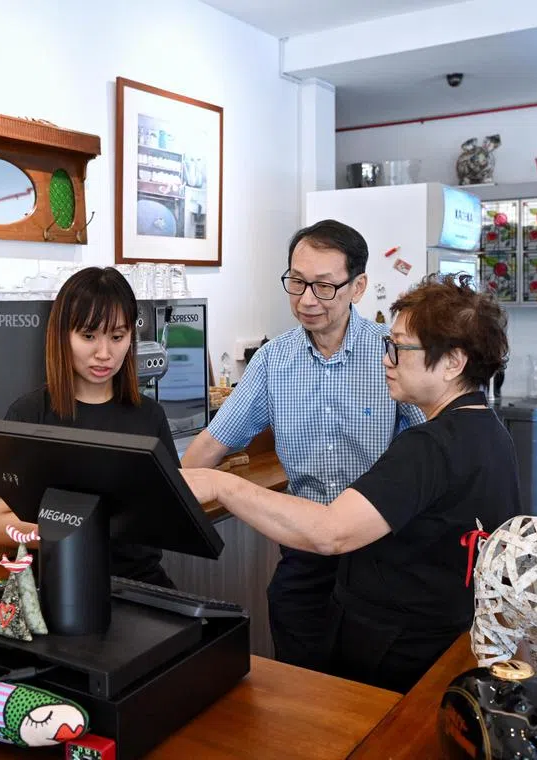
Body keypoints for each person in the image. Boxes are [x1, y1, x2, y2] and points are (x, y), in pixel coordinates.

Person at [183, 274, 522, 692]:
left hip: (402, 649)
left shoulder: (430, 446)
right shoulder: (488, 430)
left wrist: (223, 486)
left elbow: (332, 532)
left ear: (453, 362)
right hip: (442, 632)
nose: (386, 359)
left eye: (399, 347)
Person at [181, 219, 426, 670]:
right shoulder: (274, 361)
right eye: (296, 282)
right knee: (299, 688)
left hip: (383, 555)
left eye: (324, 286)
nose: (307, 300)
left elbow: (433, 444)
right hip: (305, 554)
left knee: (371, 694)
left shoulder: (389, 355)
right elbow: (213, 443)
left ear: (358, 287)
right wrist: (171, 497)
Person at [0, 266, 178, 588]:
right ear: (63, 335)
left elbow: (170, 516)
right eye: (88, 336)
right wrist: (76, 534)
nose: (104, 354)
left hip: (141, 587)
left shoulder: (149, 417)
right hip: (60, 589)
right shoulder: (29, 415)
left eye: (117, 337)